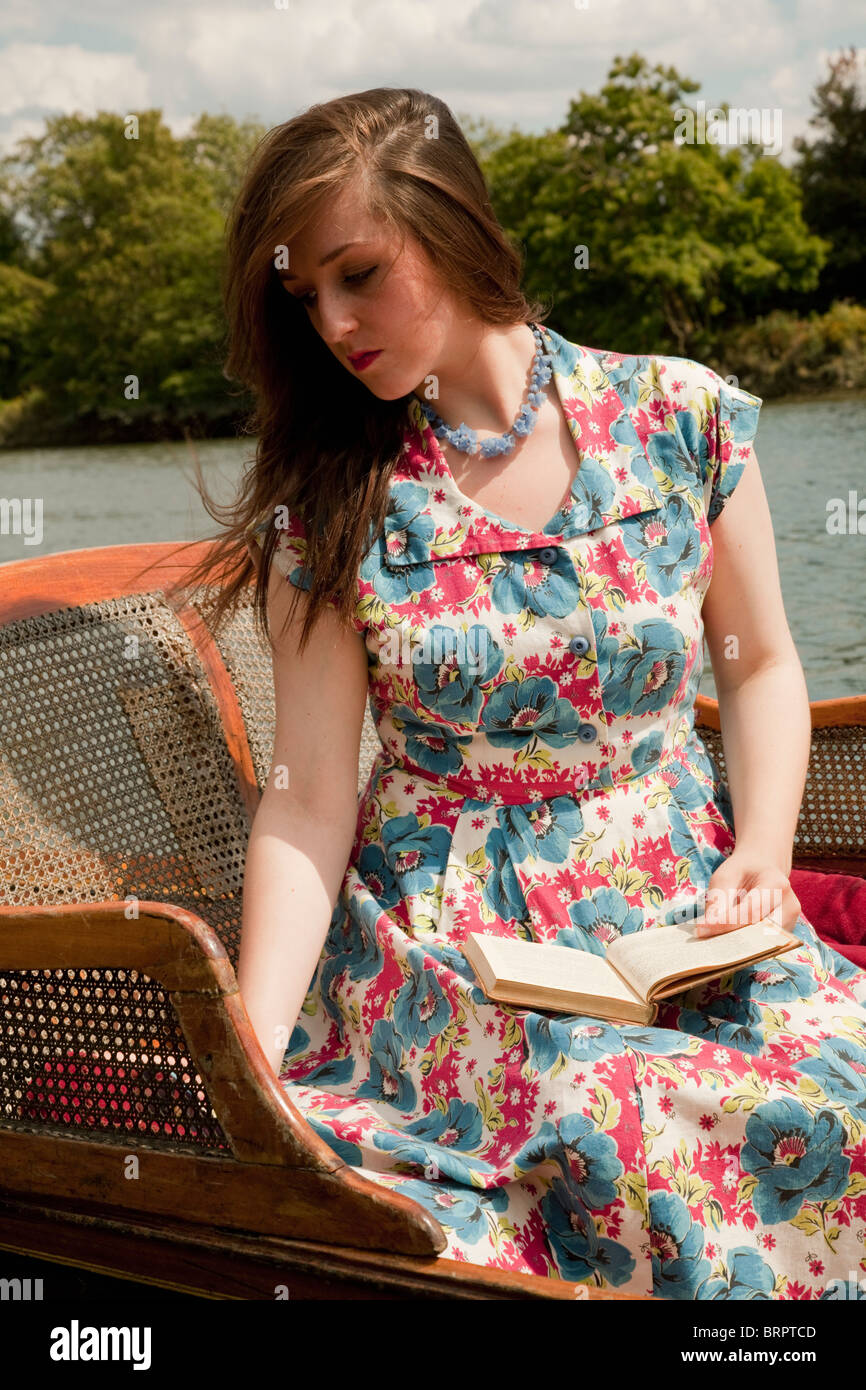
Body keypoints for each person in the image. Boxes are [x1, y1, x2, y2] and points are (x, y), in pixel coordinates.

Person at [209, 87, 866, 1299]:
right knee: (621, 1127)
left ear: (453, 226)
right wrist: (247, 1049)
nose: (335, 323)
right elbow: (304, 803)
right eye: (306, 298)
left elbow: (761, 663)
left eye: (358, 273)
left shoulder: (679, 420)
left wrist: (762, 854)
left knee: (834, 1098)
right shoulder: (337, 501)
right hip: (460, 938)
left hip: (686, 910)